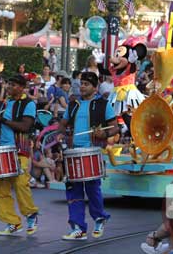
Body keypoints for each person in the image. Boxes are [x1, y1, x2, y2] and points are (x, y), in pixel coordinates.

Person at [58, 72, 118, 240]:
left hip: (92, 151)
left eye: (86, 84)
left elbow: (114, 127)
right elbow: (63, 124)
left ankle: (99, 217)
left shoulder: (103, 104)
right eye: (81, 83)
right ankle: (78, 228)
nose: (82, 86)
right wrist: (61, 134)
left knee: (92, 189)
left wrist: (103, 134)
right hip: (74, 153)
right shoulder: (73, 104)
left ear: (95, 87)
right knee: (73, 190)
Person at [0, 75, 39, 236]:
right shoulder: (3, 103)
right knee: (1, 189)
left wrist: (2, 120)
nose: (8, 87)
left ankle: (30, 214)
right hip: (0, 149)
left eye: (12, 85)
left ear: (22, 87)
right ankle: (12, 222)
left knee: (21, 183)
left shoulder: (28, 103)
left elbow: (26, 126)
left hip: (19, 149)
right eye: (8, 84)